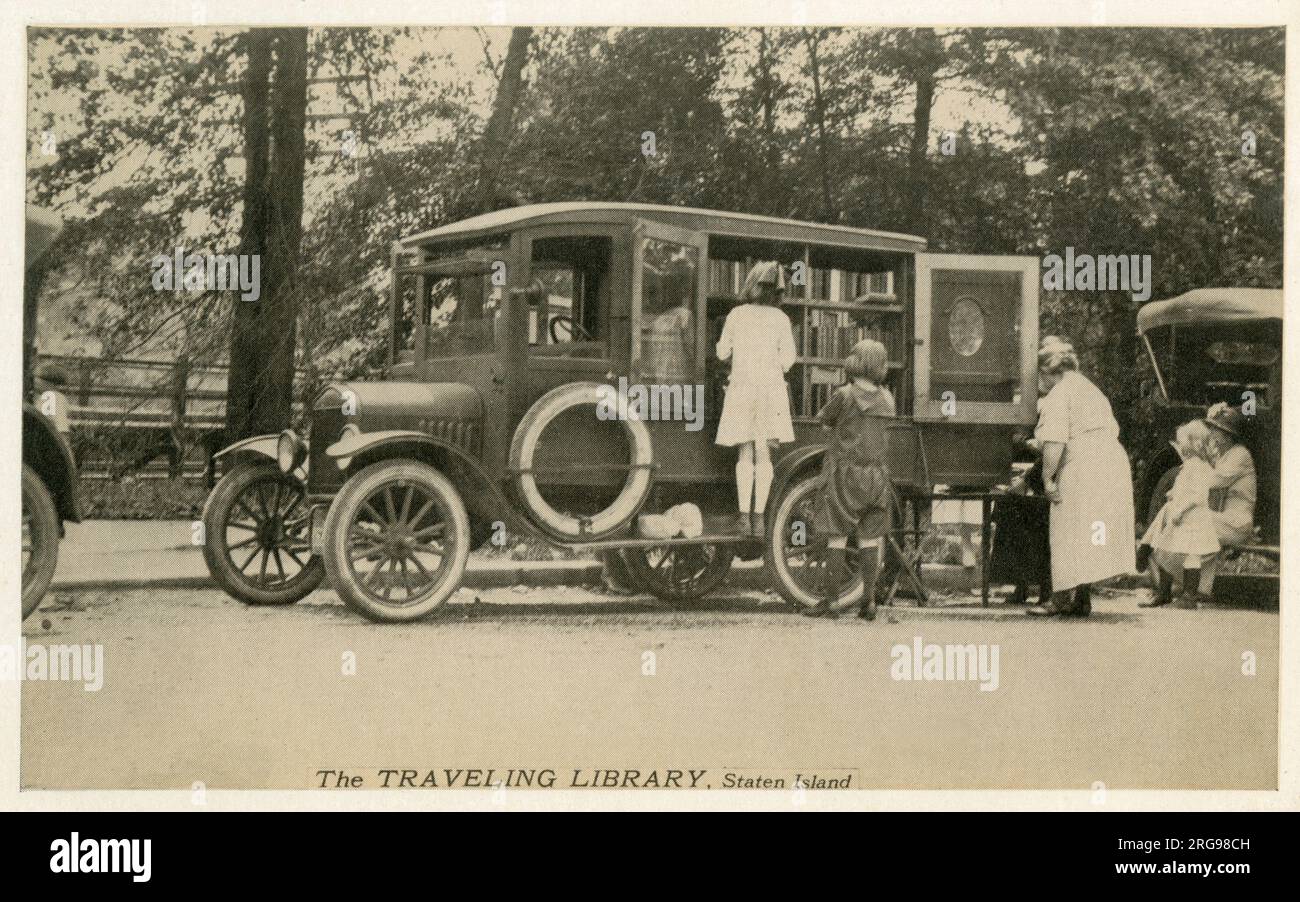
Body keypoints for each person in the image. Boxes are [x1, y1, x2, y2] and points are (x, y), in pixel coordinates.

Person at [1027, 338, 1136, 618]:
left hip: (1085, 465)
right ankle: (1081, 597)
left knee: (1065, 529)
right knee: (1086, 531)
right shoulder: (1090, 389)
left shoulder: (1059, 393)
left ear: (1047, 371)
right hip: (1110, 462)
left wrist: (1048, 479)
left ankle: (1060, 598)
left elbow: (1055, 442)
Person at [802, 339, 895, 621]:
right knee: (869, 539)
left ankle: (830, 603)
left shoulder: (844, 395)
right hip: (876, 477)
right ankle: (868, 603)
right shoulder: (888, 399)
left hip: (845, 476)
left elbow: (826, 421)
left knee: (837, 537)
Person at [715, 261, 797, 537]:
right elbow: (788, 360)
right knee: (764, 454)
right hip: (771, 389)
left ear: (751, 284)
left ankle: (744, 517)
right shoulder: (781, 319)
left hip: (743, 387)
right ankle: (760, 518)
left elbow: (722, 353)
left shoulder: (737, 314)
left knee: (745, 451)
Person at [1138, 420, 1220, 609]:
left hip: (1191, 519)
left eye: (1181, 441)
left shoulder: (1197, 466)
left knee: (1189, 554)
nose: (1179, 445)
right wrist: (1173, 493)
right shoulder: (1191, 466)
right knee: (1167, 549)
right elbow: (1185, 488)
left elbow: (1198, 496)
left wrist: (1180, 511)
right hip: (1186, 517)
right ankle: (1165, 592)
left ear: (1193, 444)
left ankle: (1188, 596)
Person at [1198, 402, 1257, 597]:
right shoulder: (1226, 455)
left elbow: (1211, 481)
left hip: (1237, 523)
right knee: (1199, 523)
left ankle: (1187, 583)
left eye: (1217, 430)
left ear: (1228, 435)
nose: (1213, 434)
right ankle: (1199, 587)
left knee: (1195, 521)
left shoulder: (1239, 455)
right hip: (1228, 521)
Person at [988, 426, 1052, 606]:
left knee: (1035, 516)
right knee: (1009, 506)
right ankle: (1021, 584)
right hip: (1033, 474)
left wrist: (1026, 479)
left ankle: (1045, 587)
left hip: (1050, 483)